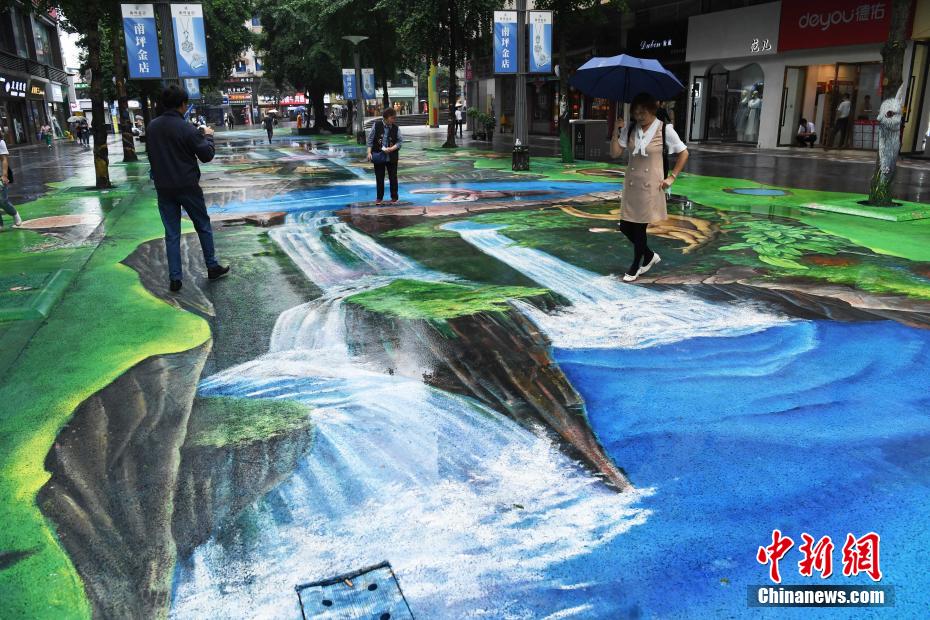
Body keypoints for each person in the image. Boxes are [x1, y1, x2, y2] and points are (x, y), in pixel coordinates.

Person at [146, 85, 228, 293]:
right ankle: (212, 266)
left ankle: (175, 278)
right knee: (202, 225)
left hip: (164, 187)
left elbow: (152, 155)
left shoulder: (152, 127)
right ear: (183, 104)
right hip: (188, 186)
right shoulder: (186, 128)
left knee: (172, 233)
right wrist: (208, 136)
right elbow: (206, 155)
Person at [610, 92, 689, 282]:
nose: (639, 116)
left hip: (651, 185)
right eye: (636, 113)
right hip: (631, 185)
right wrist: (615, 130)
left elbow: (684, 153)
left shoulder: (665, 129)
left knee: (639, 227)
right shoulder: (630, 128)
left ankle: (635, 265)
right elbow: (615, 153)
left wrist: (672, 177)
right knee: (625, 226)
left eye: (643, 113)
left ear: (653, 110)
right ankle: (649, 255)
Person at [366, 107, 403, 204]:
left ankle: (394, 197)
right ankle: (379, 198)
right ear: (386, 118)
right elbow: (370, 140)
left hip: (392, 156)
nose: (394, 120)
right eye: (392, 118)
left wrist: (392, 148)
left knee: (393, 177)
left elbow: (400, 142)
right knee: (379, 177)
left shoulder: (396, 128)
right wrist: (369, 153)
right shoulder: (376, 125)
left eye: (394, 118)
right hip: (378, 156)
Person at [0, 131, 22, 231]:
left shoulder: (1, 142)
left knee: (2, 200)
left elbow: (4, 159)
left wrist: (4, 175)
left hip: (0, 175)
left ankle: (14, 213)